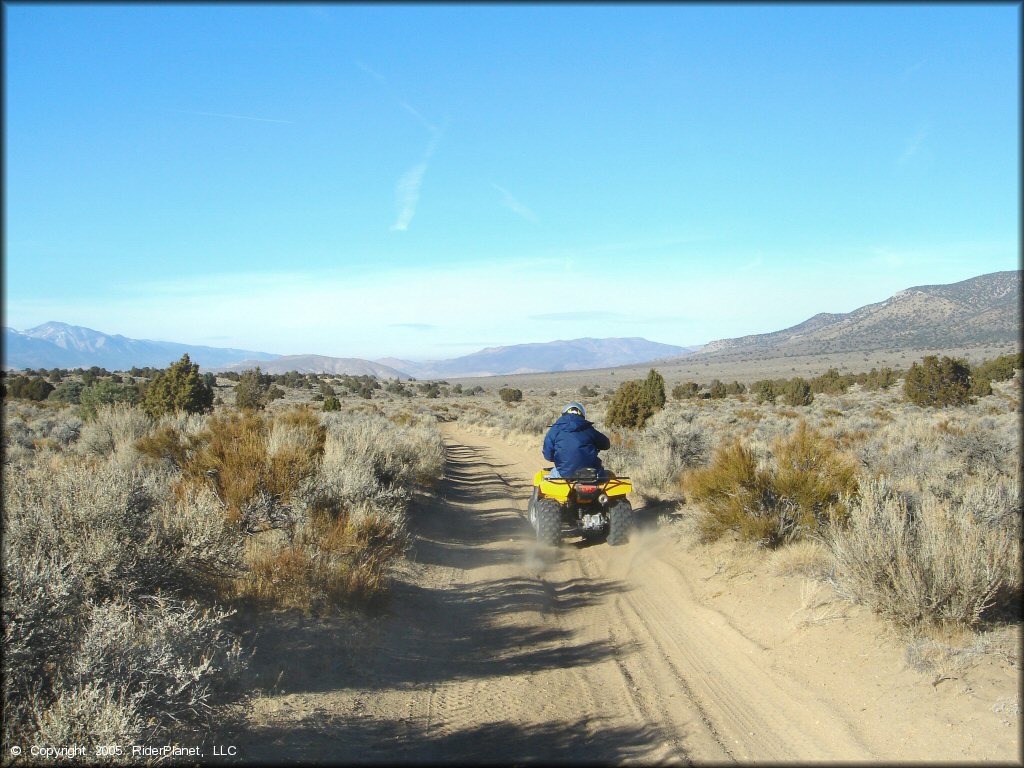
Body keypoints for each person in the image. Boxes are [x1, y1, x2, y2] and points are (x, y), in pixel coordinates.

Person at [542, 402, 610, 479]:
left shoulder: (555, 429)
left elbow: (547, 454)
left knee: (546, 479)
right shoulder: (589, 429)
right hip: (591, 473)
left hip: (564, 473)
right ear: (582, 415)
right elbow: (606, 445)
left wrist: (557, 459)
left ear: (564, 414)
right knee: (608, 477)